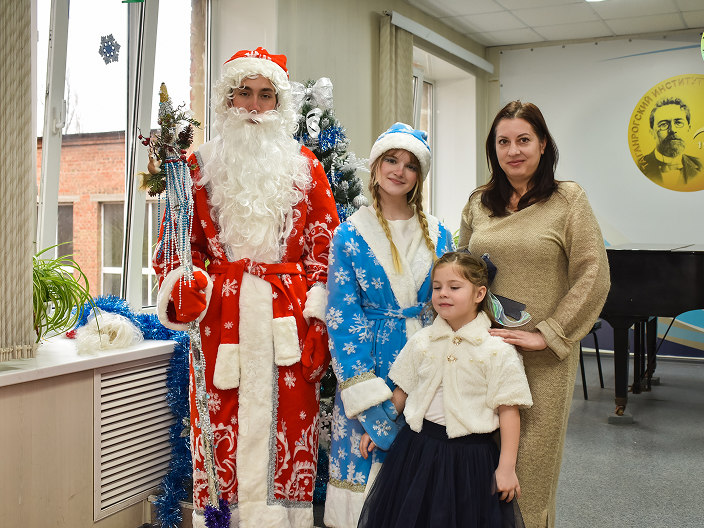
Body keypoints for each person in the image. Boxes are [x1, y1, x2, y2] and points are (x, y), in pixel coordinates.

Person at [153, 47, 339, 528]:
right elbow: (175, 246)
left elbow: (327, 247)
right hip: (221, 321)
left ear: (279, 104)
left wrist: (319, 320)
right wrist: (183, 285)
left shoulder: (306, 166)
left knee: (290, 427)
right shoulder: (197, 166)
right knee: (219, 426)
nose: (254, 106)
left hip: (289, 323)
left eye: (266, 96)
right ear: (227, 99)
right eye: (245, 93)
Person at [459, 101, 610, 527]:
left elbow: (593, 273)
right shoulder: (478, 203)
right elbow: (461, 270)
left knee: (528, 472)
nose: (514, 150)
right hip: (482, 353)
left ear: (543, 144)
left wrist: (549, 333)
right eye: (503, 142)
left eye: (524, 139)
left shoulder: (568, 200)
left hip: (541, 361)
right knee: (478, 463)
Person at [323, 123, 454, 528]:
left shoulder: (440, 234)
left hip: (428, 363)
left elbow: (450, 309)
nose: (399, 171)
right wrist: (370, 406)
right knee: (364, 469)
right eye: (392, 160)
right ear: (377, 165)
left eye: (410, 166)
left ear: (419, 176)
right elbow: (342, 318)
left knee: (421, 480)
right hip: (369, 362)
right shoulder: (348, 235)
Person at [357, 251, 533, 528]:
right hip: (417, 450)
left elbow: (509, 410)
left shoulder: (497, 350)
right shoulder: (422, 340)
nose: (443, 294)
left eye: (454, 287)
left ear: (479, 294)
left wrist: (507, 467)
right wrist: (379, 426)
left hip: (470, 460)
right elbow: (403, 390)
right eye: (437, 287)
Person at [638, 97, 703, 186]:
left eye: (678, 123)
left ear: (688, 128)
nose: (672, 130)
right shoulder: (638, 166)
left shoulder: (701, 165)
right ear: (652, 132)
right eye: (663, 124)